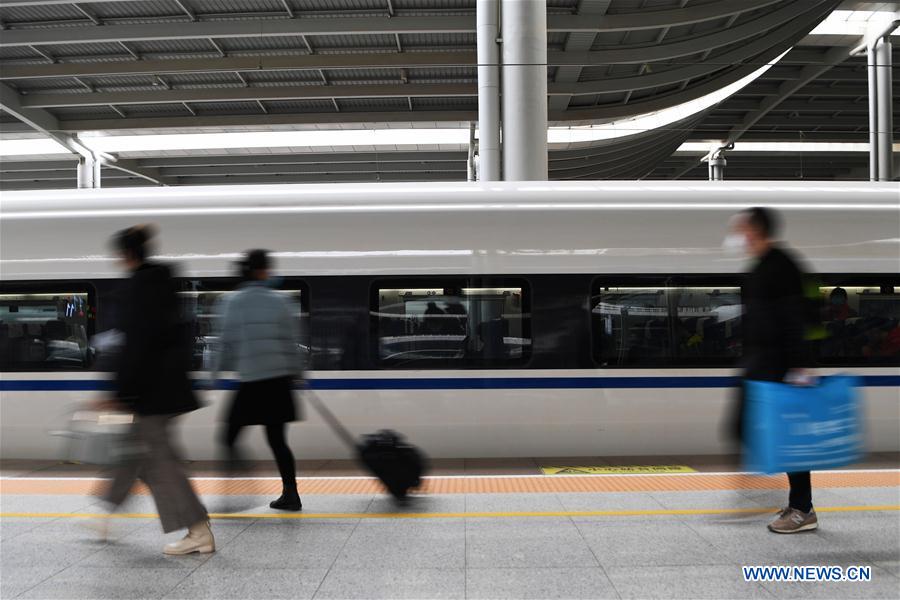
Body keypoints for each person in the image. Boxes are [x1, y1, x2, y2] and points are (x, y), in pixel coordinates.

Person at [100, 224, 214, 555]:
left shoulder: (137, 289)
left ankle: (198, 530)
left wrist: (119, 393)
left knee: (161, 464)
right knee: (138, 454)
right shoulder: (164, 282)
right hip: (168, 388)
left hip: (152, 393)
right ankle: (105, 513)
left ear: (125, 254)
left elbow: (135, 346)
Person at [726, 207, 818, 534]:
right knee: (741, 427)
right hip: (759, 364)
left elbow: (796, 319)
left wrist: (799, 367)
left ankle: (802, 507)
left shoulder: (782, 266)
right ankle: (780, 497)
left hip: (780, 368)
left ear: (755, 230)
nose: (738, 237)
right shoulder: (761, 266)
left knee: (787, 438)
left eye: (742, 230)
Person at [212, 249, 304, 511]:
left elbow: (225, 342)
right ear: (263, 271)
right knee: (278, 441)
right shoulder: (282, 301)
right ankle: (291, 494)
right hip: (279, 382)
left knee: (229, 437)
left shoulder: (233, 302)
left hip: (252, 382)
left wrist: (213, 374)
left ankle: (240, 489)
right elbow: (292, 342)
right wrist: (297, 374)